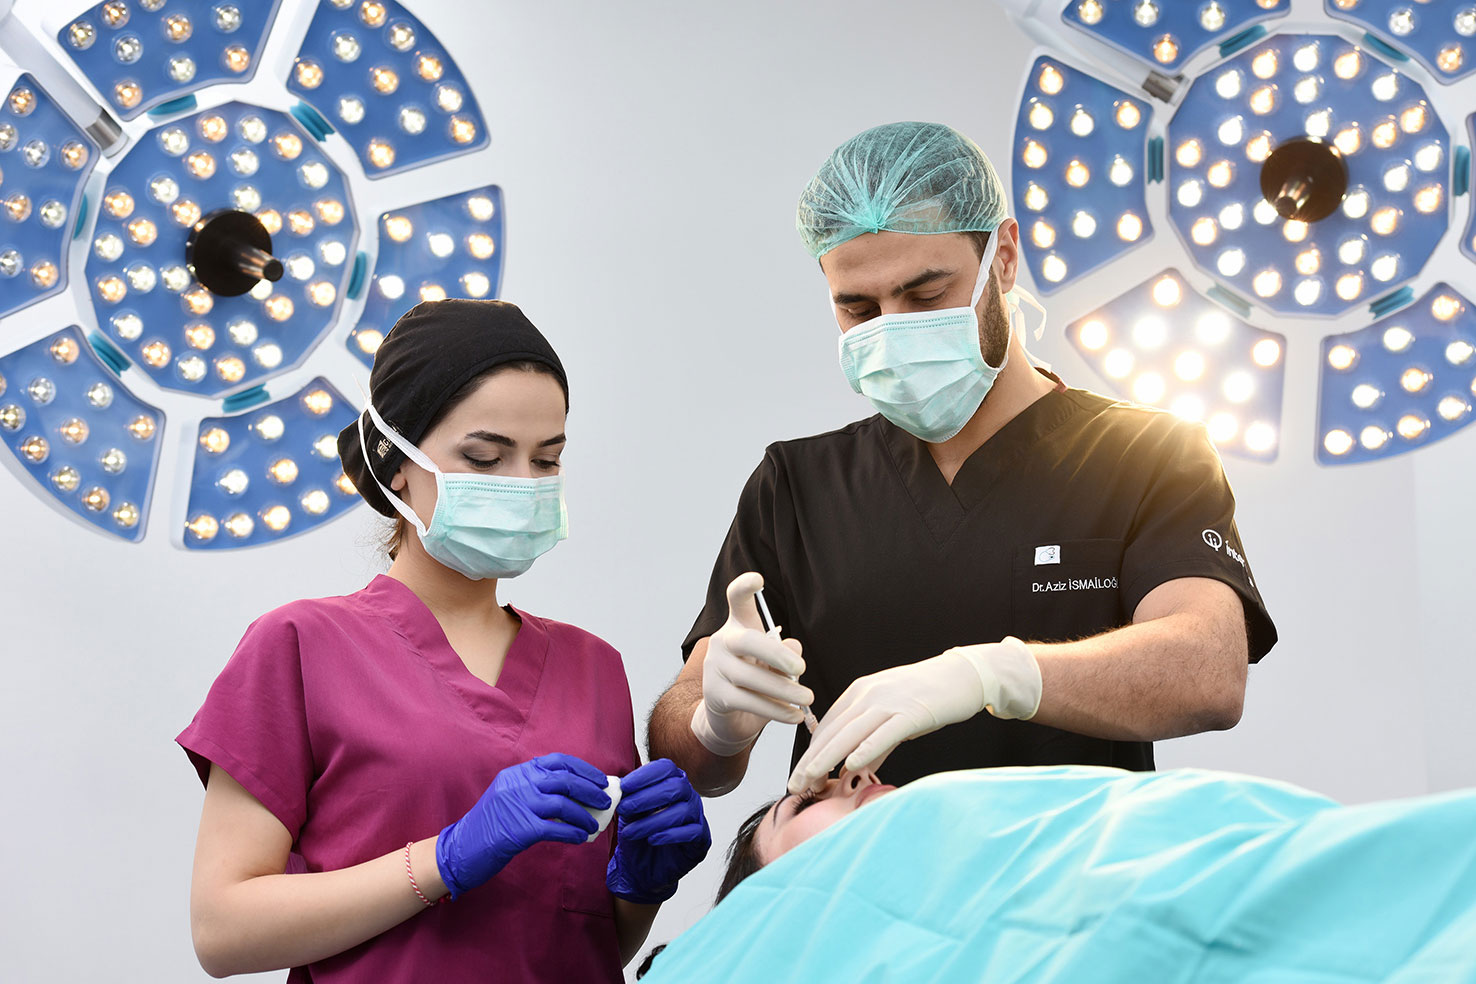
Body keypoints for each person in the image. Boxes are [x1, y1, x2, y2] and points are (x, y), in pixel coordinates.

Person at [648, 121, 1277, 798]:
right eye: (859, 309)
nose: (895, 328)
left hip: (1070, 862)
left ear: (1003, 257)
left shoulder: (1147, 454)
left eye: (926, 296)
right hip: (863, 864)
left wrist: (992, 677)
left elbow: (1209, 671)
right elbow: (690, 758)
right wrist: (715, 721)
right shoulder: (796, 487)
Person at [178, 299, 710, 983]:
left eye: (547, 459)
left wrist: (640, 886)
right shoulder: (300, 646)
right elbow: (223, 932)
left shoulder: (593, 667)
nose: (523, 485)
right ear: (395, 462)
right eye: (485, 458)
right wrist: (446, 858)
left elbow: (577, 939)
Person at [641, 767, 1476, 983]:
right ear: (766, 899)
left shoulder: (987, 815)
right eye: (804, 801)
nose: (850, 775)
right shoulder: (767, 930)